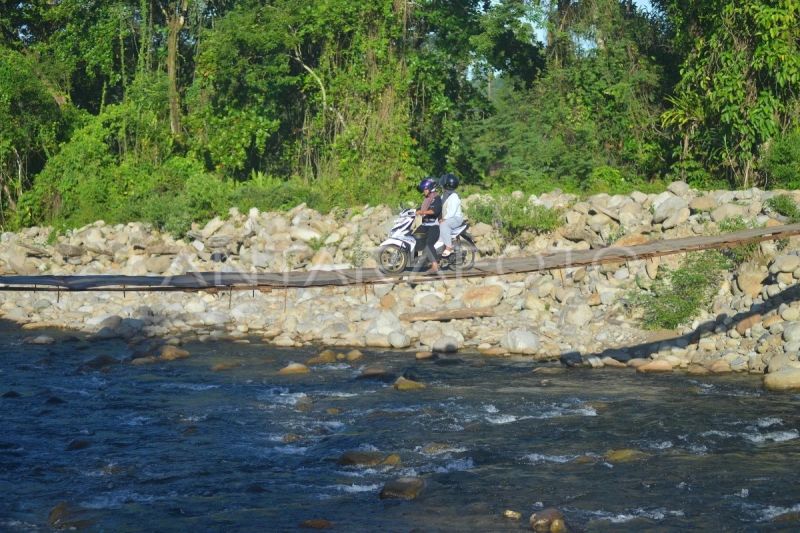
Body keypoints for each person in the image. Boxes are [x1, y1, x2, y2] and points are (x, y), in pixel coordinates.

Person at [415, 177, 443, 274]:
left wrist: (422, 212)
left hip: (434, 226)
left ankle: (435, 266)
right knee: (414, 237)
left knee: (428, 244)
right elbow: (419, 209)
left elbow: (434, 211)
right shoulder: (427, 199)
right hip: (425, 225)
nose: (424, 191)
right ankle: (421, 260)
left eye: (425, 189)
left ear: (430, 188)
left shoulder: (437, 198)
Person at [438, 173, 463, 257]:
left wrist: (444, 219)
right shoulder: (444, 195)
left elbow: (451, 213)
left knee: (444, 225)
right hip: (448, 217)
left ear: (447, 186)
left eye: (443, 186)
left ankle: (449, 247)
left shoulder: (454, 196)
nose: (441, 187)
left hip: (455, 219)